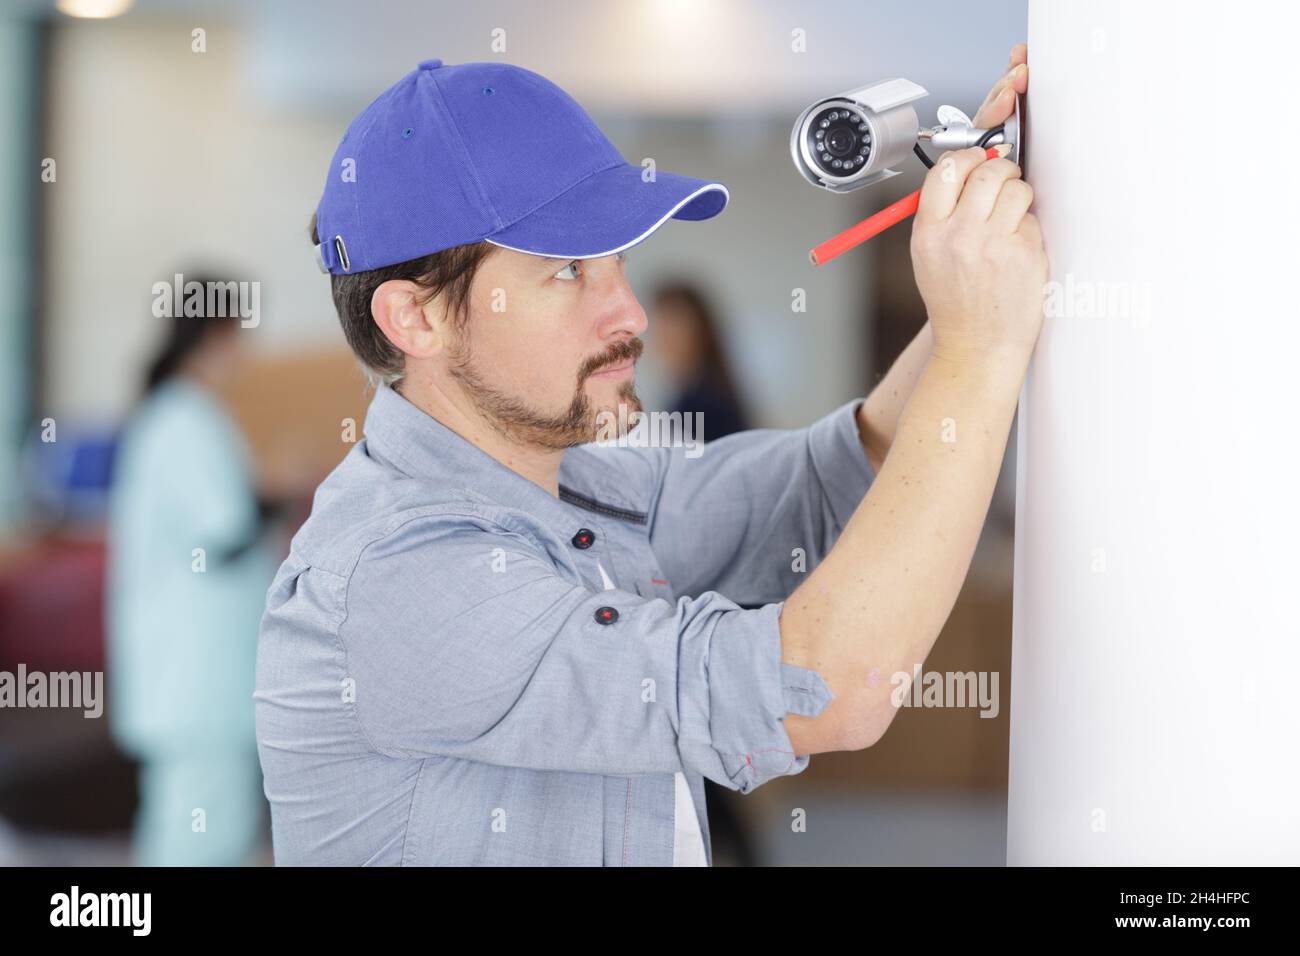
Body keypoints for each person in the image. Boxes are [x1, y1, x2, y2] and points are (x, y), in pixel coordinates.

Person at [256, 47, 1043, 866]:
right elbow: (820, 690)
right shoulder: (402, 578)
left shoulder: (585, 488)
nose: (628, 312)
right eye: (567, 270)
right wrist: (979, 350)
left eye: (618, 260)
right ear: (415, 320)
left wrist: (982, 261)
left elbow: (828, 483)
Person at [106, 278, 277, 865]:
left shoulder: (177, 415)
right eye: (241, 336)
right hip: (196, 677)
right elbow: (225, 530)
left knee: (202, 825)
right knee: (199, 831)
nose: (247, 353)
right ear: (215, 334)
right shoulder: (184, 419)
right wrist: (286, 490)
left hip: (196, 678)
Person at [651, 282, 749, 441]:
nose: (662, 335)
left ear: (699, 330)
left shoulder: (706, 403)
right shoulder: (687, 394)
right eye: (659, 323)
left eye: (672, 323)